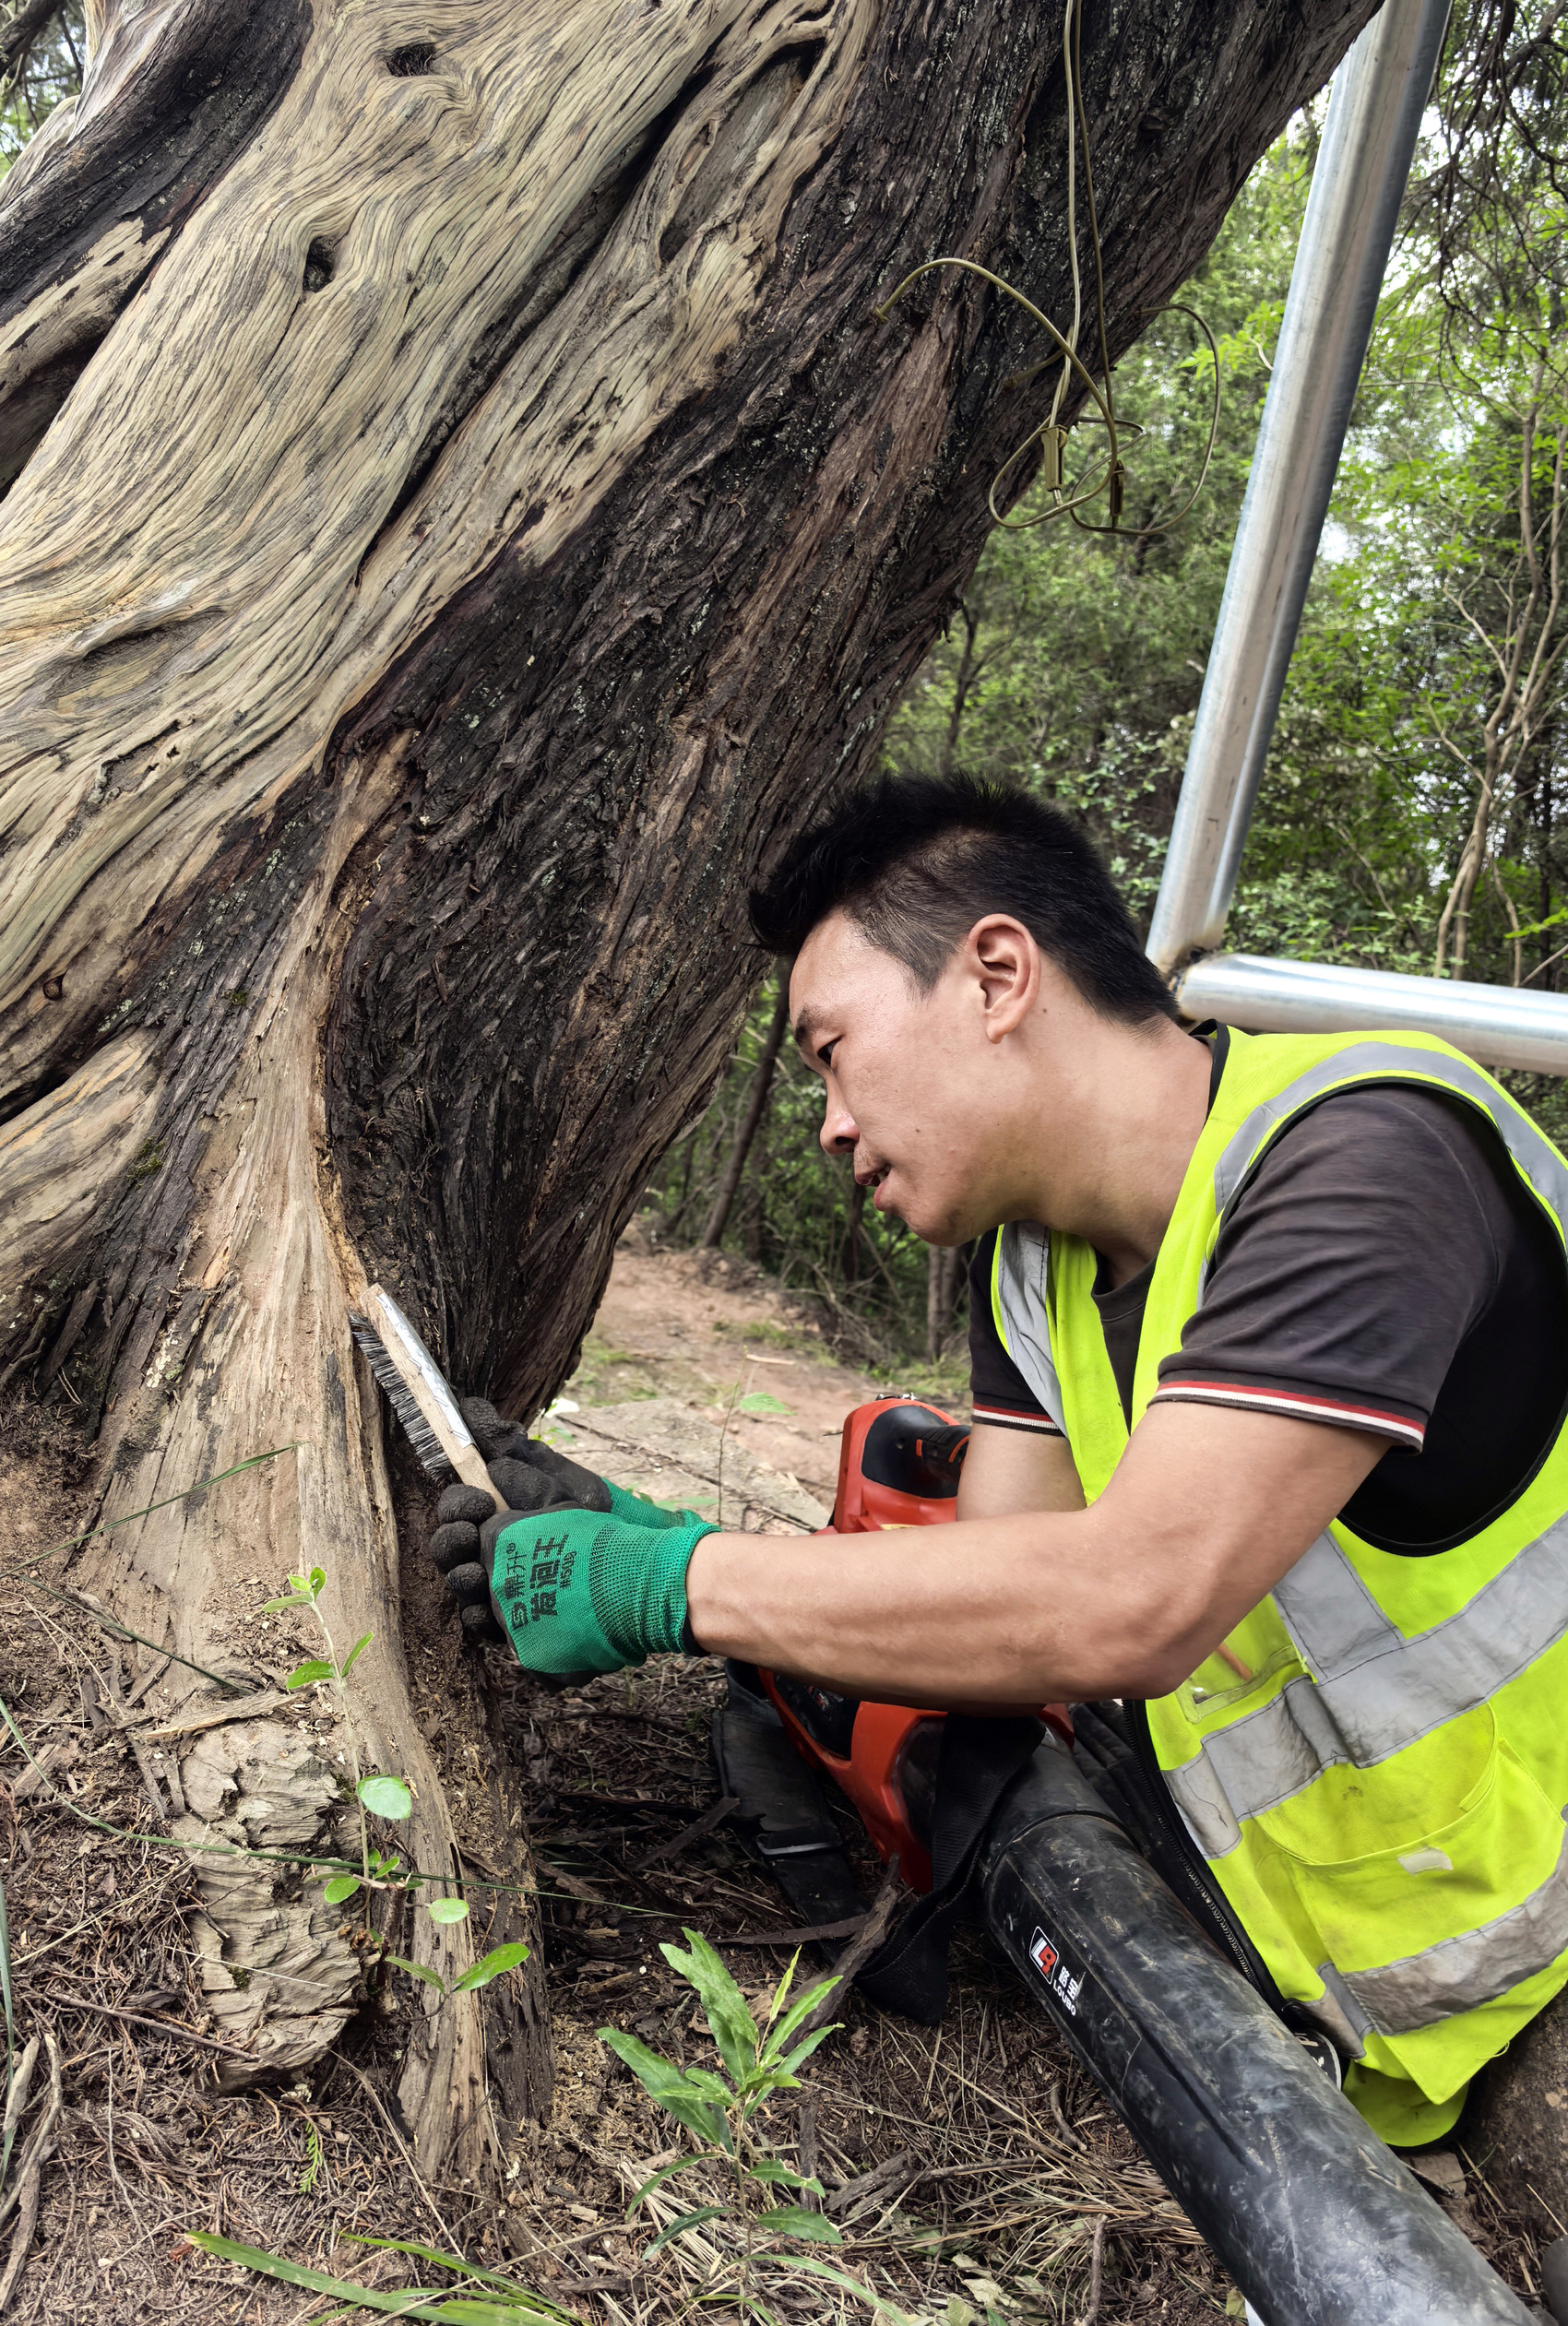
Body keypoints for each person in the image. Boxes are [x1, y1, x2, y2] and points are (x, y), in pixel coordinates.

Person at [429, 773, 1568, 2154]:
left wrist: (673, 1585)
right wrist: (646, 1536)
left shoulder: (1362, 1160)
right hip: (1301, 1907)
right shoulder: (1037, 1259)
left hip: (1504, 1927)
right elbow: (1000, 1606)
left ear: (997, 974)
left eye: (832, 1050)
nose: (833, 1121)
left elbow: (1127, 1601)